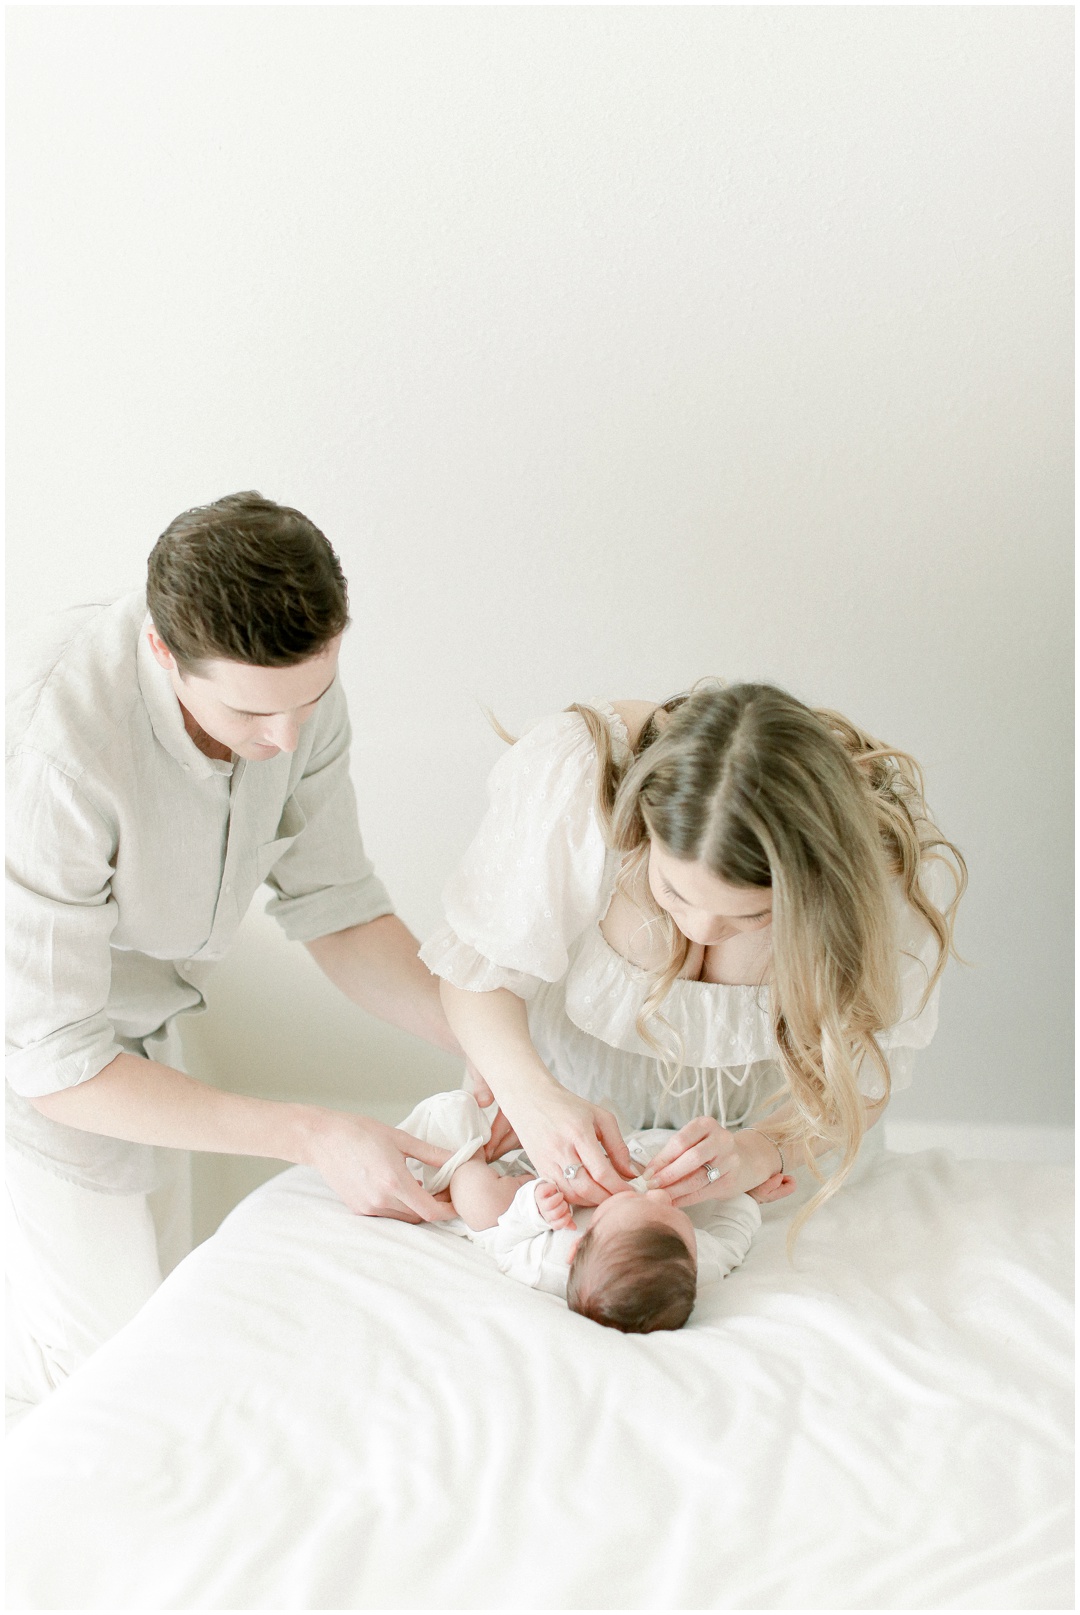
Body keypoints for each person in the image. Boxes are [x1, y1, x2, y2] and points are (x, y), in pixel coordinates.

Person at [5, 491, 501, 1420]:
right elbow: (55, 1061)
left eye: (309, 701)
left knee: (159, 1326)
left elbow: (339, 910)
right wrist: (312, 1133)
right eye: (252, 715)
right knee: (95, 1376)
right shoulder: (55, 754)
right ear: (163, 649)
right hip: (36, 1053)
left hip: (145, 1024)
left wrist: (491, 1047)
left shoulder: (291, 697)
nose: (286, 741)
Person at [418, 687, 966, 1233]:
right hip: (551, 1149)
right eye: (673, 892)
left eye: (752, 917)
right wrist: (533, 1099)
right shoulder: (578, 782)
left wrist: (764, 1149)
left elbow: (864, 1073)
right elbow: (477, 974)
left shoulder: (883, 865)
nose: (701, 929)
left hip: (777, 1171)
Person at [396, 1088, 795, 1333]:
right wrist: (749, 1198)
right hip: (575, 1171)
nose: (657, 1197)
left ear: (577, 1247)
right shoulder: (702, 1262)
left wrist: (535, 1209)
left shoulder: (549, 1261)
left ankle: (473, 1158)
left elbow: (505, 1245)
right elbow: (731, 1238)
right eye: (673, 1213)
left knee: (480, 1206)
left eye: (633, 1205)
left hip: (514, 1214)